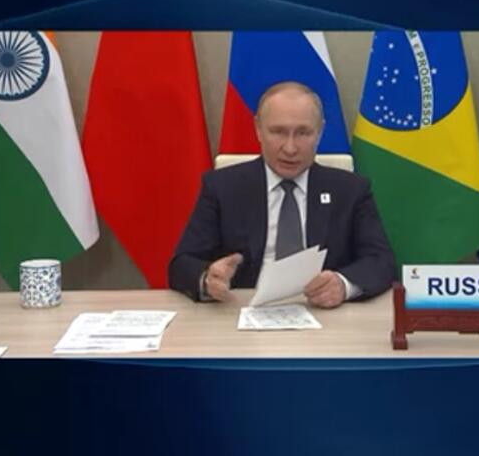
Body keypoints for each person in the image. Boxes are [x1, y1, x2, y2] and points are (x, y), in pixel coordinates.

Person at [169, 81, 396, 307]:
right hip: (242, 311)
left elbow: (381, 261)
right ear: (258, 129)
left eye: (303, 133)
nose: (290, 148)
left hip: (324, 313)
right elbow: (181, 264)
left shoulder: (350, 190)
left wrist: (343, 284)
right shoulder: (222, 187)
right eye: (278, 132)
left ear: (319, 132)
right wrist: (208, 278)